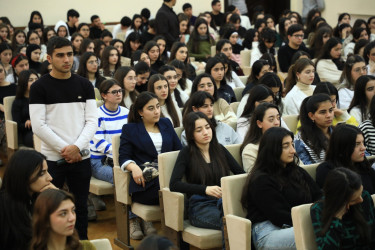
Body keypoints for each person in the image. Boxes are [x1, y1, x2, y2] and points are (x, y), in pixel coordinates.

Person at [29, 36, 97, 240]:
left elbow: (92, 121)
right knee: (49, 208)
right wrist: (66, 149)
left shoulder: (85, 85)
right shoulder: (39, 87)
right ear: (49, 58)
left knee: (80, 208)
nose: (66, 59)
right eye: (60, 55)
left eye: (69, 54)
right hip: (51, 159)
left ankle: (82, 243)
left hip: (81, 156)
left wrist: (76, 147)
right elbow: (39, 126)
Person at [241, 127, 322, 249]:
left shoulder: (297, 171)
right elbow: (279, 216)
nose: (293, 151)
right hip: (268, 231)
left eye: (292, 145)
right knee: (315, 233)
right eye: (286, 146)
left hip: (299, 224)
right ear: (272, 149)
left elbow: (319, 195)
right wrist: (315, 222)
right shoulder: (261, 180)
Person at [119, 91, 182, 239]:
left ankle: (178, 234)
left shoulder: (166, 123)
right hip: (146, 183)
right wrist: (133, 167)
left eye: (158, 107)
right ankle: (173, 238)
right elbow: (123, 157)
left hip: (169, 177)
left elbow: (179, 151)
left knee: (179, 187)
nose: (156, 111)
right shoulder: (130, 129)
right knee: (175, 190)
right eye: (151, 108)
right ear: (140, 111)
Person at [170, 111, 244, 233]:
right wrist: (204, 189)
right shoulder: (186, 153)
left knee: (238, 219)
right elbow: (174, 184)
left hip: (224, 202)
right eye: (199, 130)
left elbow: (241, 174)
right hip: (200, 206)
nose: (205, 132)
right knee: (232, 223)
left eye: (208, 127)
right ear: (191, 134)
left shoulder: (219, 149)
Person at [0, 150, 55, 249]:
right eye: (42, 173)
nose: (50, 178)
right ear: (24, 175)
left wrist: (57, 198)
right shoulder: (5, 207)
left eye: (47, 171)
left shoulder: (35, 198)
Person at [312, 167, 375, 249]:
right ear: (339, 200)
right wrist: (337, 216)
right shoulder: (318, 209)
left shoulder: (365, 197)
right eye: (354, 199)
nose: (361, 199)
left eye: (361, 192)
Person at [30, 189, 96, 250]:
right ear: (45, 219)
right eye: (63, 214)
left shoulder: (86, 247)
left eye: (73, 210)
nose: (72, 218)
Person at [317, 124, 375, 192]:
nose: (363, 148)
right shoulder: (326, 170)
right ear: (342, 146)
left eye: (363, 142)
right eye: (357, 144)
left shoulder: (365, 167)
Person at [241, 103, 281, 172]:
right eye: (271, 119)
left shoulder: (286, 143)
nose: (277, 123)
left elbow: (299, 168)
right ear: (259, 123)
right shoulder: (251, 150)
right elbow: (257, 178)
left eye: (278, 118)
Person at [295, 94, 334, 165]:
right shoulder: (301, 140)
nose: (329, 115)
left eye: (331, 110)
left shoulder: (337, 132)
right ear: (311, 116)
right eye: (323, 112)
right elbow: (308, 168)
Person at [11, 69, 38, 147]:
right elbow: (17, 126)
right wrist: (27, 124)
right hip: (29, 133)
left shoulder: (42, 98)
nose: (35, 82)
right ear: (23, 83)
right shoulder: (18, 102)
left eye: (36, 79)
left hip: (43, 128)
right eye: (31, 80)